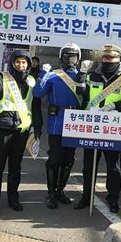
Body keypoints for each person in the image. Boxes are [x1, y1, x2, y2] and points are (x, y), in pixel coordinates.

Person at [73, 44, 121, 212]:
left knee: (113, 166)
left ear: (118, 59)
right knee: (89, 166)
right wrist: (81, 74)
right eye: (105, 58)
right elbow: (82, 94)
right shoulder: (93, 75)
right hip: (92, 125)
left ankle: (113, 199)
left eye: (112, 58)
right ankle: (86, 196)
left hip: (112, 127)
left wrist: (115, 105)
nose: (108, 61)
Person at [0, 49, 35, 217]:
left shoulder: (31, 81)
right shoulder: (0, 77)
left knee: (15, 168)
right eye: (18, 62)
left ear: (29, 64)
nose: (21, 65)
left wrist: (35, 128)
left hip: (21, 131)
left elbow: (35, 105)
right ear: (12, 63)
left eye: (24, 62)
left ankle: (13, 199)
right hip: (2, 131)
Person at [32, 43, 82, 209]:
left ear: (79, 58)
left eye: (74, 55)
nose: (70, 58)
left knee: (69, 159)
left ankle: (60, 190)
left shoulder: (82, 77)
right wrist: (43, 74)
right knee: (55, 158)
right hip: (57, 121)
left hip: (75, 122)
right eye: (67, 55)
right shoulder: (53, 75)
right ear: (61, 57)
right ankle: (51, 192)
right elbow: (37, 93)